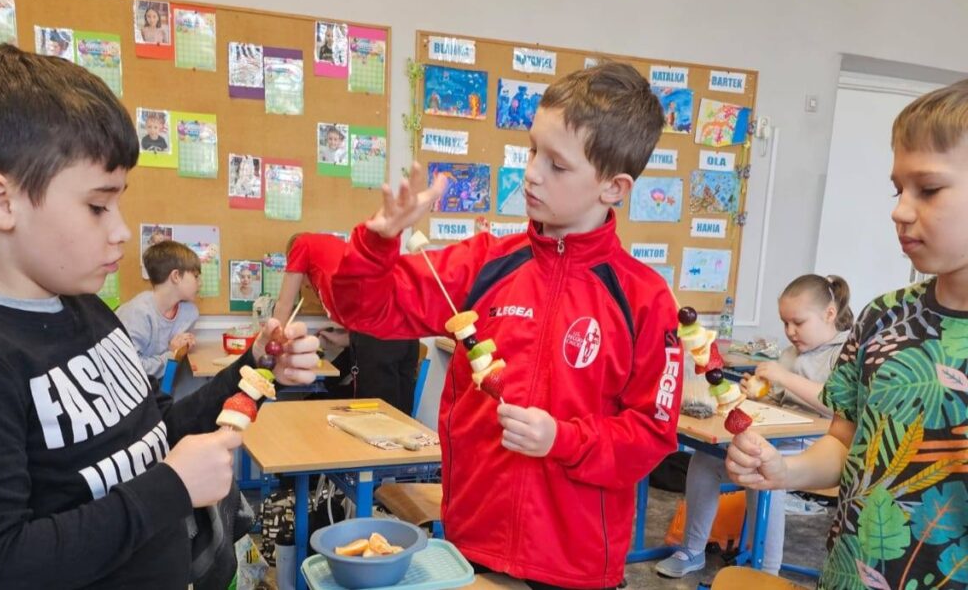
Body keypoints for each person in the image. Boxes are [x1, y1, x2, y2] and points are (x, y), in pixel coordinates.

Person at [0, 42, 318, 589]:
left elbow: (157, 434)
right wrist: (171, 488)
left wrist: (258, 369)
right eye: (98, 205)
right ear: (2, 202)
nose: (120, 229)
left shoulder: (89, 309)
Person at [326, 62, 679, 589]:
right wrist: (378, 244)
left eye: (557, 165)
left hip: (574, 563)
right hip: (471, 542)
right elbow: (362, 310)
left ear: (613, 187)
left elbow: (651, 434)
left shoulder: (643, 299)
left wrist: (562, 438)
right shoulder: (485, 263)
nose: (532, 172)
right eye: (532, 150)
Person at [727, 81, 968, 589]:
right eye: (897, 189)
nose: (900, 210)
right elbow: (844, 442)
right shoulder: (884, 318)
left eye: (928, 188)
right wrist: (785, 470)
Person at [655, 274, 852, 578]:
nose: (790, 332)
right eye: (785, 323)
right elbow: (778, 399)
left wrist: (784, 377)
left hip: (816, 446)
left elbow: (837, 405)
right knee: (706, 460)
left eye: (798, 323)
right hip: (776, 437)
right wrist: (757, 389)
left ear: (829, 314)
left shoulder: (844, 353)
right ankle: (692, 549)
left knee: (762, 470)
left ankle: (765, 572)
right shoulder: (790, 353)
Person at [275, 232, 421, 414]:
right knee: (399, 413)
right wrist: (342, 339)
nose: (304, 286)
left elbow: (284, 304)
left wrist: (270, 347)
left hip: (382, 331)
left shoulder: (301, 244)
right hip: (405, 327)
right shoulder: (332, 253)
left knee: (376, 415)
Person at [116, 240, 202, 381]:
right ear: (176, 277)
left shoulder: (189, 313)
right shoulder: (138, 312)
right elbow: (128, 370)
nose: (200, 283)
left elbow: (169, 374)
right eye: (196, 276)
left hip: (160, 390)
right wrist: (172, 354)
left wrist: (179, 353)